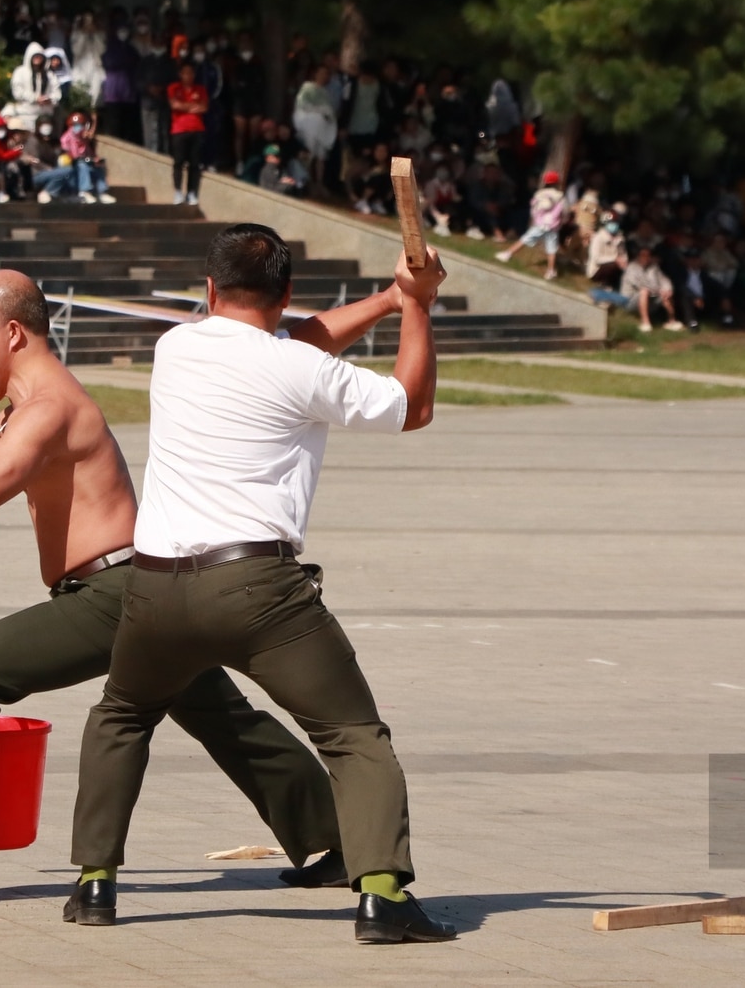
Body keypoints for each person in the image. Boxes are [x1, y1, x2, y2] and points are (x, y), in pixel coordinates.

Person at [0, 270, 411, 907]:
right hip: (146, 589)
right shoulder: (27, 406)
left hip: (113, 593)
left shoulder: (50, 409)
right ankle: (339, 839)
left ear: (12, 332)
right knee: (221, 717)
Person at [68, 225, 457, 943]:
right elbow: (413, 403)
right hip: (257, 589)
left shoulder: (176, 347)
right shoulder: (300, 369)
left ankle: (94, 883)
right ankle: (381, 897)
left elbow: (295, 342)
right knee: (352, 733)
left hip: (153, 586)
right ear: (286, 294)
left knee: (121, 714)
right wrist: (417, 308)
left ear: (209, 290)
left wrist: (392, 293)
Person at [497, 172, 570, 279]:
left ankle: (507, 254)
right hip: (553, 225)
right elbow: (565, 212)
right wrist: (563, 221)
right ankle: (551, 270)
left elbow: (534, 208)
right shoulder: (560, 196)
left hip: (541, 224)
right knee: (551, 248)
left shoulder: (540, 194)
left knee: (525, 239)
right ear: (557, 183)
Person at [167, 60, 208, 206]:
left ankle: (192, 192)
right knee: (178, 162)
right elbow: (174, 104)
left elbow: (203, 107)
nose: (188, 76)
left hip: (197, 129)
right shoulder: (174, 88)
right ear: (181, 74)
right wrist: (191, 106)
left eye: (191, 73)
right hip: (179, 130)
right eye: (185, 73)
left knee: (195, 163)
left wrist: (184, 107)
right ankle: (178, 191)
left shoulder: (200, 89)